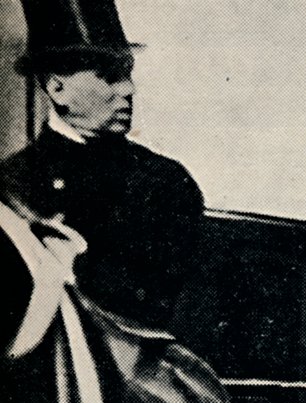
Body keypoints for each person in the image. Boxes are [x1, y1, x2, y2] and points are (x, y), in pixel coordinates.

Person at [2, 0, 204, 330]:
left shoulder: (165, 181)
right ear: (57, 88)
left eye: (127, 74)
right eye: (109, 76)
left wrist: (75, 267)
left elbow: (171, 310)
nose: (129, 89)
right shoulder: (10, 184)